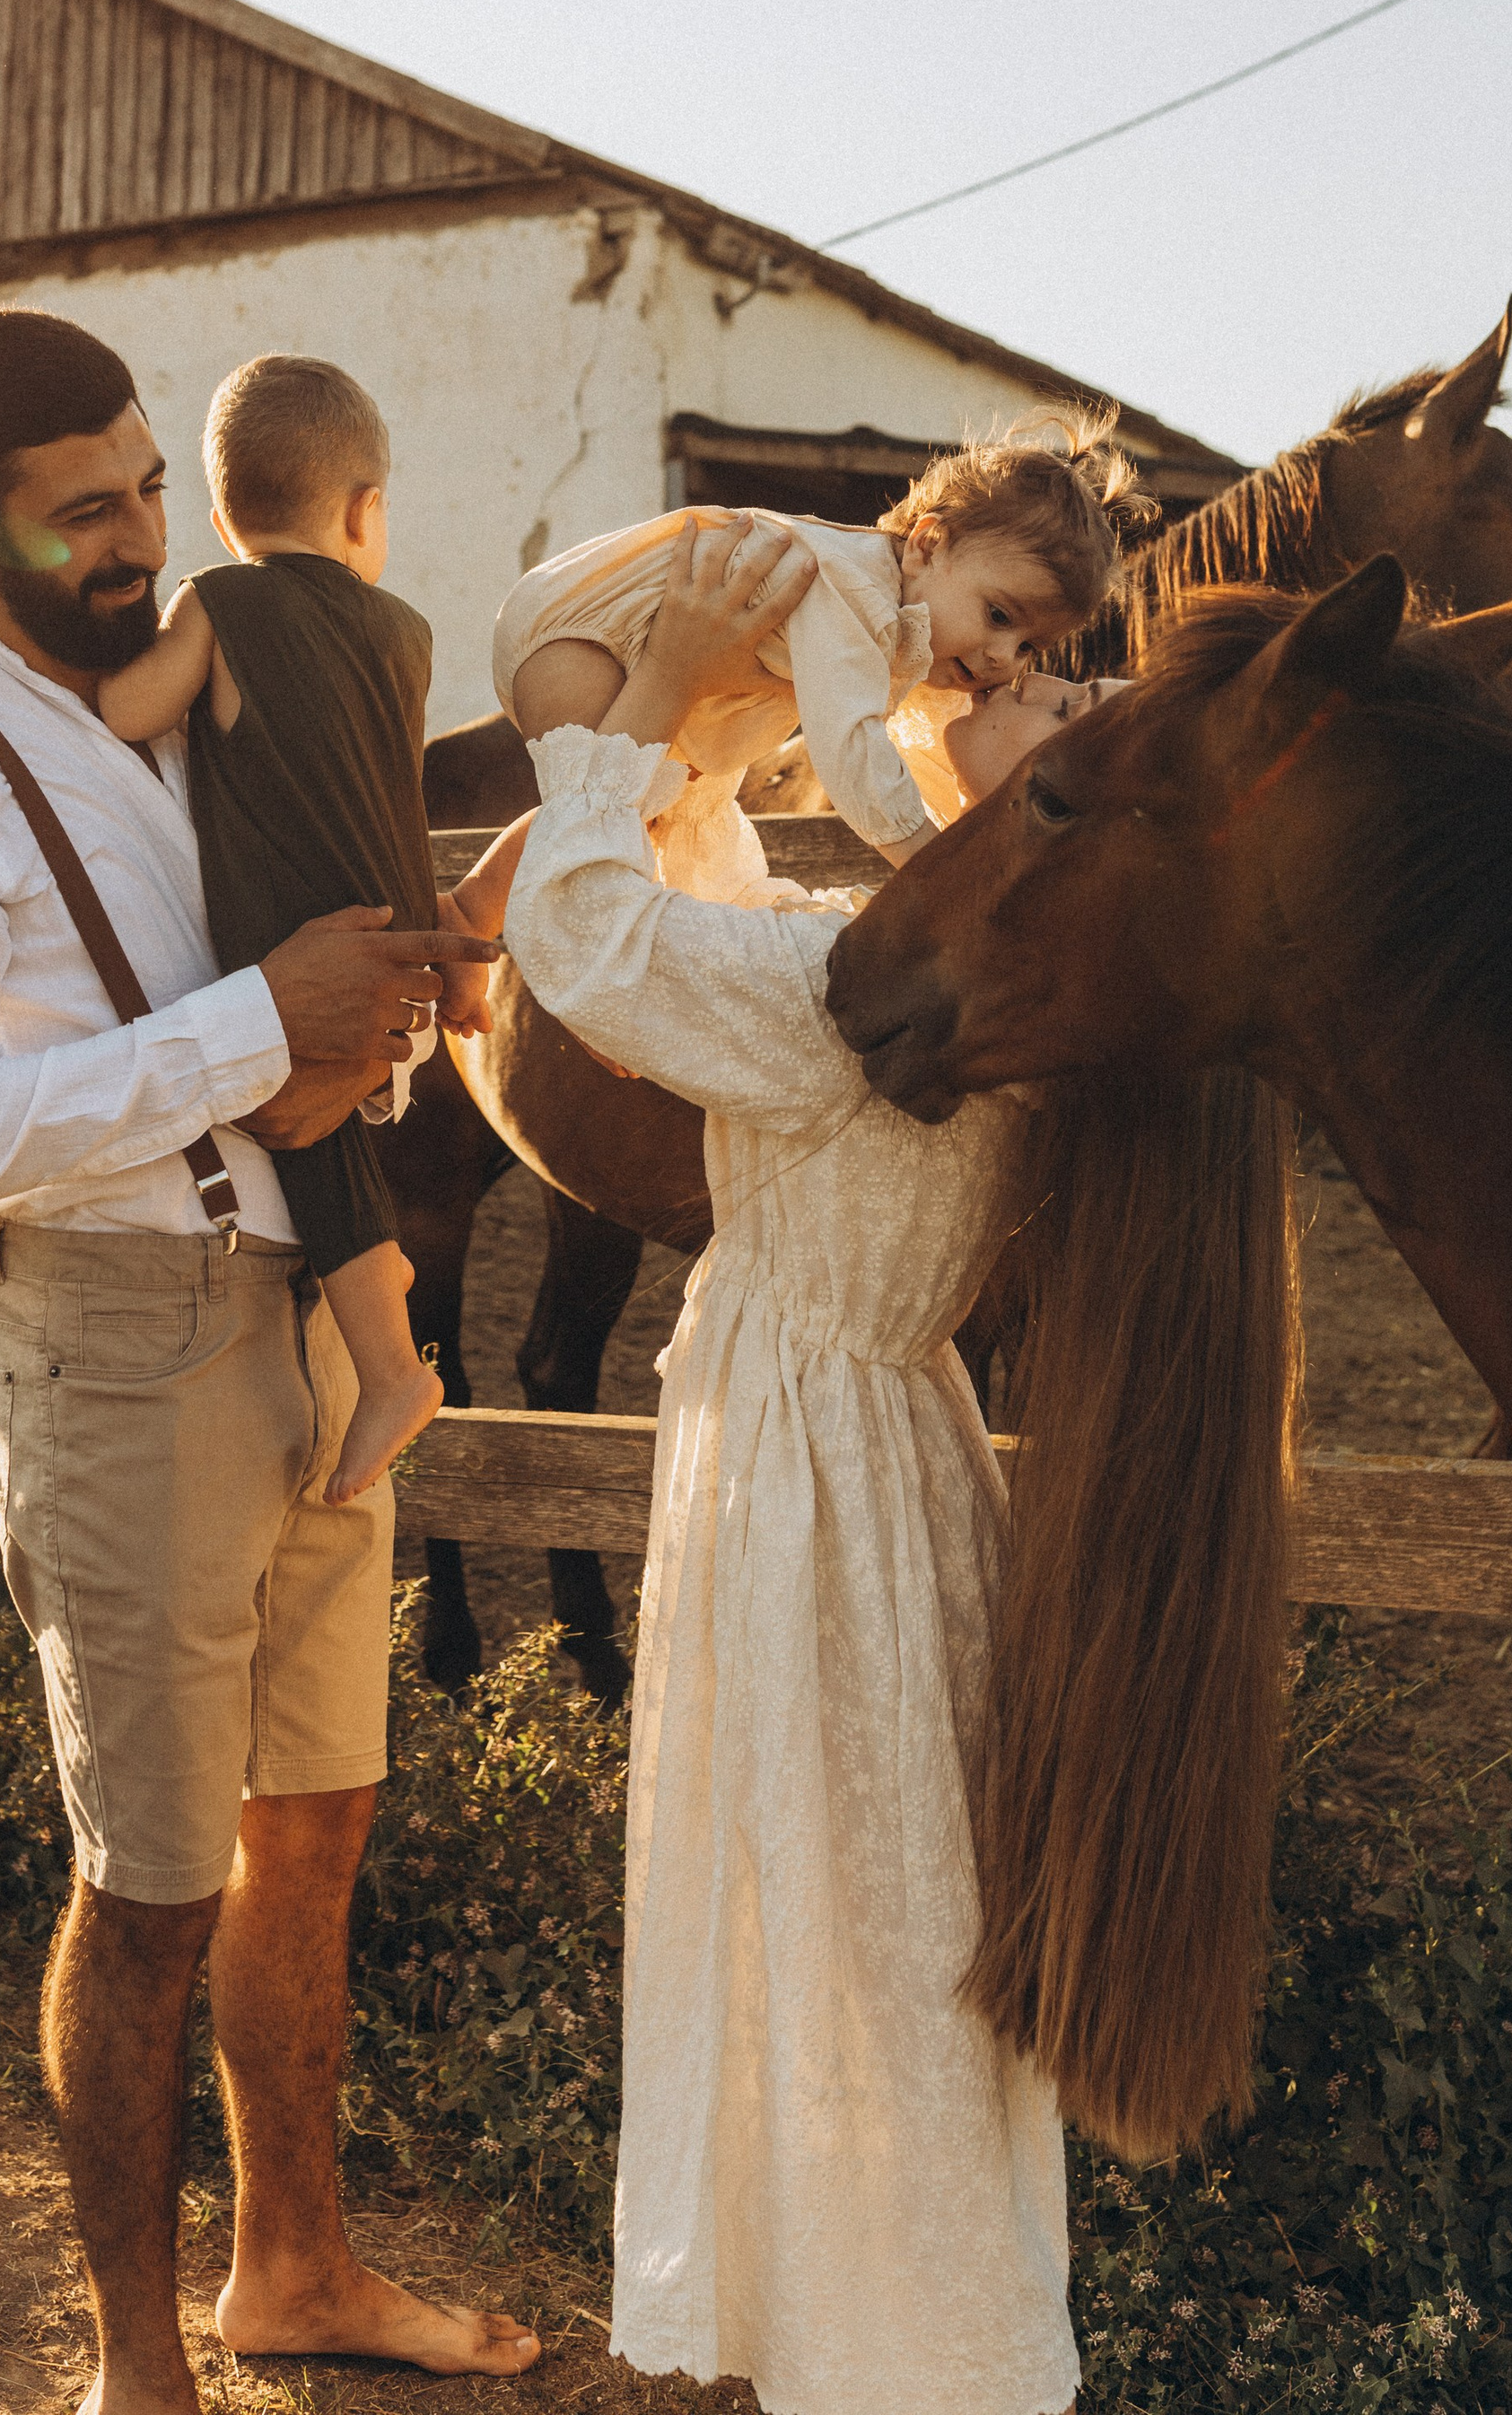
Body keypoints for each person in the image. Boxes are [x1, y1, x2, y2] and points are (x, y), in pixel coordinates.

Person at [0, 306, 538, 2413]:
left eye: (144, 485)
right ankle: (141, 2371)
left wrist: (377, 1015)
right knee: (147, 1879)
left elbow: (283, 961)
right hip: (109, 1348)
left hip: (301, 1317)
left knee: (315, 1818)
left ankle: (292, 2268)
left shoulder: (182, 692)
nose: (133, 537)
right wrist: (257, 1029)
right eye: (76, 514)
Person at [500, 514, 1082, 2415]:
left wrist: (655, 700)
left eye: (1059, 688)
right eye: (1012, 646)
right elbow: (720, 897)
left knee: (815, 1900)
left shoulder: (862, 1000)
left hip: (799, 1474)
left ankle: (868, 2347)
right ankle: (914, 2326)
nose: (1014, 677)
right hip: (900, 1460)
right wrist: (760, 731)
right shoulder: (1009, 983)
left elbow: (581, 937)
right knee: (890, 1898)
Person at [96, 351, 516, 1507]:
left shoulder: (220, 603)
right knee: (341, 1131)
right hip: (399, 926)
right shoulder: (407, 630)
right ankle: (388, 1367)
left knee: (310, 1134)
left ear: (223, 516)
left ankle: (391, 1369)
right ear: (363, 511)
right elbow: (392, 782)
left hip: (298, 939)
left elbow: (128, 712)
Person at [491, 416, 1152, 906]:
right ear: (927, 545)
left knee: (645, 813)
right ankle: (589, 986)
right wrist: (928, 864)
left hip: (659, 690)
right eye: (1000, 617)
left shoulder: (913, 631)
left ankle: (478, 901)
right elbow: (850, 749)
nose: (1006, 658)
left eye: (1030, 646)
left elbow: (927, 753)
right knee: (596, 824)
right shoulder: (855, 592)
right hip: (587, 633)